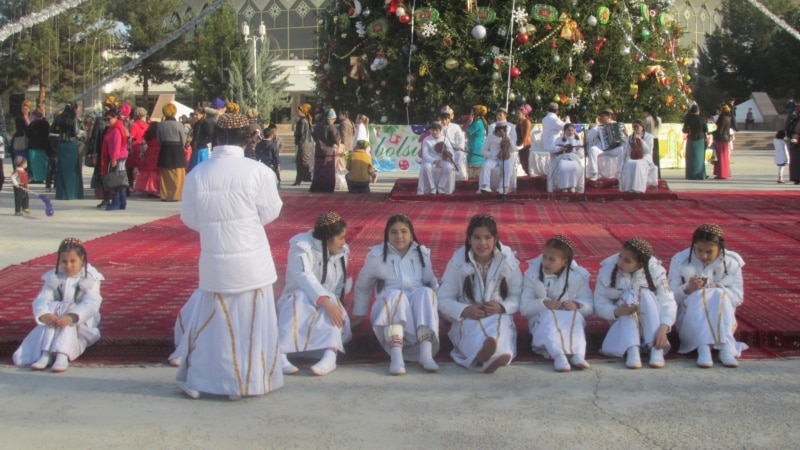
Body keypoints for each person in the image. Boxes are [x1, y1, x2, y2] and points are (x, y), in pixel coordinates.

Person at [174, 111, 283, 400]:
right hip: (253, 263)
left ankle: (208, 381)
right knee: (251, 326)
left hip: (215, 263)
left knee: (216, 328)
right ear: (246, 138)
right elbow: (270, 213)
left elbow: (190, 218)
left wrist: (215, 229)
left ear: (216, 137)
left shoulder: (197, 173)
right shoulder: (259, 171)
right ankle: (248, 383)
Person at [352, 214, 440, 375]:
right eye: (393, 232)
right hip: (388, 309)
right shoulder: (377, 256)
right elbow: (362, 286)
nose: (399, 236)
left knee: (425, 292)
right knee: (394, 294)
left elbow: (432, 283)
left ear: (412, 234)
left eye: (404, 231)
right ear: (387, 234)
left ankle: (425, 353)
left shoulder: (422, 253)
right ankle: (396, 356)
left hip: (416, 312)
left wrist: (442, 309)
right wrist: (359, 314)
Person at [437, 213, 522, 373]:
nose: (482, 243)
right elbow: (443, 299)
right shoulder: (458, 261)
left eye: (487, 237)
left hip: (498, 314)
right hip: (468, 315)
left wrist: (501, 307)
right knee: (472, 329)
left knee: (499, 326)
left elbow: (518, 295)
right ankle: (485, 354)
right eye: (477, 237)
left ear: (495, 239)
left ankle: (495, 354)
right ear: (469, 240)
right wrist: (465, 310)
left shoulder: (507, 260)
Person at [277, 212, 352, 377]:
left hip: (326, 308)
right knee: (302, 295)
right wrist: (325, 302)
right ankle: (280, 354)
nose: (343, 242)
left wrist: (334, 305)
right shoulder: (300, 246)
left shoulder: (342, 251)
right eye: (340, 238)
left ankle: (330, 355)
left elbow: (339, 284)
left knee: (332, 300)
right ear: (328, 239)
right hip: (297, 303)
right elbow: (304, 276)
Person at [12, 238, 104, 373]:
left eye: (73, 261)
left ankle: (62, 354)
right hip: (57, 318)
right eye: (64, 261)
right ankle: (46, 354)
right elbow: (43, 298)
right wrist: (45, 314)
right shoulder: (54, 276)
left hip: (80, 322)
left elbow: (92, 303)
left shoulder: (90, 277)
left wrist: (72, 317)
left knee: (68, 308)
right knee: (53, 307)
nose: (68, 266)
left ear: (82, 260)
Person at [668, 224, 746, 368]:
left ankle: (723, 348)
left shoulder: (731, 263)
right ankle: (704, 347)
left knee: (716, 293)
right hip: (690, 319)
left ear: (720, 248)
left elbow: (737, 297)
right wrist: (687, 289)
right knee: (704, 294)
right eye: (699, 250)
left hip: (721, 315)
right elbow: (668, 297)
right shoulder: (680, 261)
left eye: (709, 252)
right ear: (694, 246)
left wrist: (717, 287)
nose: (703, 256)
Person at [594, 238, 676, 369]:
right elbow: (599, 302)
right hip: (622, 321)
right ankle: (633, 349)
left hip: (651, 321)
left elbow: (668, 301)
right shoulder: (608, 267)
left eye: (627, 261)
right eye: (621, 256)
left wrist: (663, 328)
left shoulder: (656, 270)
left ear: (639, 265)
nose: (620, 262)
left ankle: (655, 348)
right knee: (630, 295)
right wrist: (616, 311)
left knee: (644, 293)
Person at [520, 234, 593, 372]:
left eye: (552, 259)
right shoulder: (532, 274)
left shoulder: (579, 276)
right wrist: (544, 303)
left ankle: (577, 354)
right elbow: (524, 308)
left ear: (565, 262)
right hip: (541, 322)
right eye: (544, 257)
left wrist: (577, 305)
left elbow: (590, 305)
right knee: (549, 315)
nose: (546, 263)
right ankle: (558, 355)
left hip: (568, 321)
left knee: (576, 316)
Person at [478, 108, 517, 194]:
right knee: (486, 165)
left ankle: (504, 187)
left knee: (508, 165)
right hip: (493, 158)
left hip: (505, 157)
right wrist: (494, 155)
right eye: (499, 132)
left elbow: (514, 149)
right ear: (496, 130)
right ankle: (485, 186)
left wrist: (509, 140)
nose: (500, 134)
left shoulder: (507, 136)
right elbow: (483, 151)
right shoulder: (490, 137)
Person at [50, 103, 83, 200]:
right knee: (73, 169)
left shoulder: (58, 117)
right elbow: (76, 132)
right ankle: (74, 193)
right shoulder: (74, 118)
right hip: (71, 144)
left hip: (62, 143)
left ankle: (62, 194)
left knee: (62, 169)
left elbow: (52, 130)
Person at [156, 103, 187, 202]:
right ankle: (176, 195)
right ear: (175, 112)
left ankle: (165, 195)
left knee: (165, 174)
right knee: (178, 174)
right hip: (177, 149)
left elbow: (159, 139)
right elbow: (183, 140)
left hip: (165, 149)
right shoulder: (179, 125)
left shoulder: (160, 125)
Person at [99, 108, 128, 211]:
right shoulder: (115, 127)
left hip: (118, 156)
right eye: (106, 119)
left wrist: (114, 158)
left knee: (116, 179)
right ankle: (122, 202)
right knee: (120, 179)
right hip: (119, 155)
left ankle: (116, 202)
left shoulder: (116, 129)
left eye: (109, 118)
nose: (108, 120)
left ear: (115, 117)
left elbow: (117, 145)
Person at [585, 109, 625, 181]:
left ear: (609, 116)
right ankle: (595, 173)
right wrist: (596, 125)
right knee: (592, 149)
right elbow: (589, 137)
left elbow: (624, 137)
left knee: (622, 150)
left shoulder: (617, 125)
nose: (601, 118)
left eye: (603, 116)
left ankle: (619, 173)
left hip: (614, 148)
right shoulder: (599, 126)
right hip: (603, 148)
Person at [619, 119, 656, 193]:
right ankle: (628, 188)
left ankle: (638, 188)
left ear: (642, 127)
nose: (635, 129)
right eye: (633, 127)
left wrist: (641, 140)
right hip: (633, 156)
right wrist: (627, 137)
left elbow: (648, 150)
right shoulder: (630, 137)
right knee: (628, 163)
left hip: (645, 156)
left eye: (637, 127)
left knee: (638, 164)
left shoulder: (649, 136)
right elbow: (627, 149)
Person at [417, 122, 455, 195]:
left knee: (449, 167)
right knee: (426, 167)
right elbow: (425, 154)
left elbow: (450, 150)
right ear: (430, 130)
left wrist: (448, 157)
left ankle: (441, 186)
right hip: (430, 159)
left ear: (440, 131)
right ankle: (432, 188)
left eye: (436, 130)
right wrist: (434, 161)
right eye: (433, 130)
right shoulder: (426, 140)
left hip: (442, 159)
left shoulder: (445, 139)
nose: (434, 132)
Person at [310, 108, 342, 193]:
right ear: (330, 119)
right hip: (328, 152)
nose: (334, 121)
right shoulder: (331, 128)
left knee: (319, 171)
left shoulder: (317, 126)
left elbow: (313, 136)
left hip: (318, 151)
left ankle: (318, 187)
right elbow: (336, 139)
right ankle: (327, 187)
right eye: (333, 119)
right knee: (328, 172)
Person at [546, 123, 584, 193]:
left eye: (572, 130)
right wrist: (559, 148)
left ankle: (572, 185)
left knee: (576, 168)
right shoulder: (559, 139)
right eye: (568, 130)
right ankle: (563, 187)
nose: (571, 132)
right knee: (563, 168)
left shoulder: (578, 141)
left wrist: (578, 150)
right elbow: (551, 148)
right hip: (562, 158)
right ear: (565, 131)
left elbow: (581, 155)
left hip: (574, 158)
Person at [682, 104, 708, 180]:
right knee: (700, 157)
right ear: (698, 111)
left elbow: (685, 129)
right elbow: (705, 129)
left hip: (691, 138)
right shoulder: (702, 118)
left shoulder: (688, 118)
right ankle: (701, 174)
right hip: (700, 138)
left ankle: (691, 174)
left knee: (691, 157)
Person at [134, 122, 160, 196]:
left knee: (148, 170)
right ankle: (155, 188)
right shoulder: (159, 135)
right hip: (158, 152)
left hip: (150, 152)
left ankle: (147, 188)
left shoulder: (148, 134)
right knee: (156, 170)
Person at [440, 110, 468, 181]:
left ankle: (459, 176)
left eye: (445, 119)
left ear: (449, 119)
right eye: (442, 119)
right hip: (443, 150)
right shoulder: (438, 127)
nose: (444, 121)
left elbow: (461, 138)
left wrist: (460, 146)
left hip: (455, 148)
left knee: (460, 154)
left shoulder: (455, 127)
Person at [26, 110, 50, 183]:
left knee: (35, 163)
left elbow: (28, 134)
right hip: (44, 146)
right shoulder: (46, 123)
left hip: (33, 147)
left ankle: (36, 178)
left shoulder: (33, 124)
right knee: (43, 163)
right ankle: (44, 177)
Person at [293, 103, 314, 186]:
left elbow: (300, 132)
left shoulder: (303, 121)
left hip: (304, 143)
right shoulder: (305, 120)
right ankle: (299, 179)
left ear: (303, 111)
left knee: (304, 161)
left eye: (300, 110)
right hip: (305, 142)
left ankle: (311, 177)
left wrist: (295, 134)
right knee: (299, 161)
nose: (298, 111)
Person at [128, 107, 148, 191]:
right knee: (142, 167)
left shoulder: (134, 125)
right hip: (143, 147)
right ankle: (143, 185)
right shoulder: (147, 125)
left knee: (130, 167)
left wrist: (129, 148)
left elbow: (131, 138)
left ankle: (130, 184)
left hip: (135, 147)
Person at [188, 106, 213, 172]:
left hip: (202, 150)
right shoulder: (196, 124)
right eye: (194, 114)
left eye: (196, 114)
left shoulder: (205, 124)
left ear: (202, 115)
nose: (194, 116)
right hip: (195, 149)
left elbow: (210, 136)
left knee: (201, 169)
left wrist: (202, 142)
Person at [466, 105, 488, 175]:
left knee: (473, 164)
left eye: (471, 112)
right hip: (476, 144)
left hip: (475, 146)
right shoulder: (480, 122)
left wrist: (469, 122)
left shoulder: (477, 123)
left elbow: (468, 133)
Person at [713, 103, 733, 180]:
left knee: (720, 157)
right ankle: (723, 173)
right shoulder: (727, 117)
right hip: (725, 138)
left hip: (721, 138)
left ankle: (721, 173)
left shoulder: (722, 118)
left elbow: (720, 130)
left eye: (718, 110)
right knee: (724, 156)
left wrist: (712, 133)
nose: (717, 112)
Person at [13, 99, 32, 177]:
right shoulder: (20, 117)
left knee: (27, 157)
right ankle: (19, 172)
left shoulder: (29, 117)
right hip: (21, 139)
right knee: (20, 156)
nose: (25, 110)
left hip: (28, 140)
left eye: (26, 109)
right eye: (23, 108)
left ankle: (26, 173)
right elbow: (20, 128)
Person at [643, 106, 662, 178]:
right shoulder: (659, 119)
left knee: (649, 156)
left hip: (648, 139)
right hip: (656, 138)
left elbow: (643, 130)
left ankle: (650, 175)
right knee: (656, 157)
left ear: (647, 112)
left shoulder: (647, 120)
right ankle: (658, 175)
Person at [516, 104, 533, 175]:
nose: (517, 114)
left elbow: (526, 135)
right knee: (521, 161)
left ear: (524, 113)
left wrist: (522, 144)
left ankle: (527, 176)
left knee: (525, 162)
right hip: (519, 143)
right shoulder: (520, 122)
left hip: (525, 144)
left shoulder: (527, 122)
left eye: (519, 113)